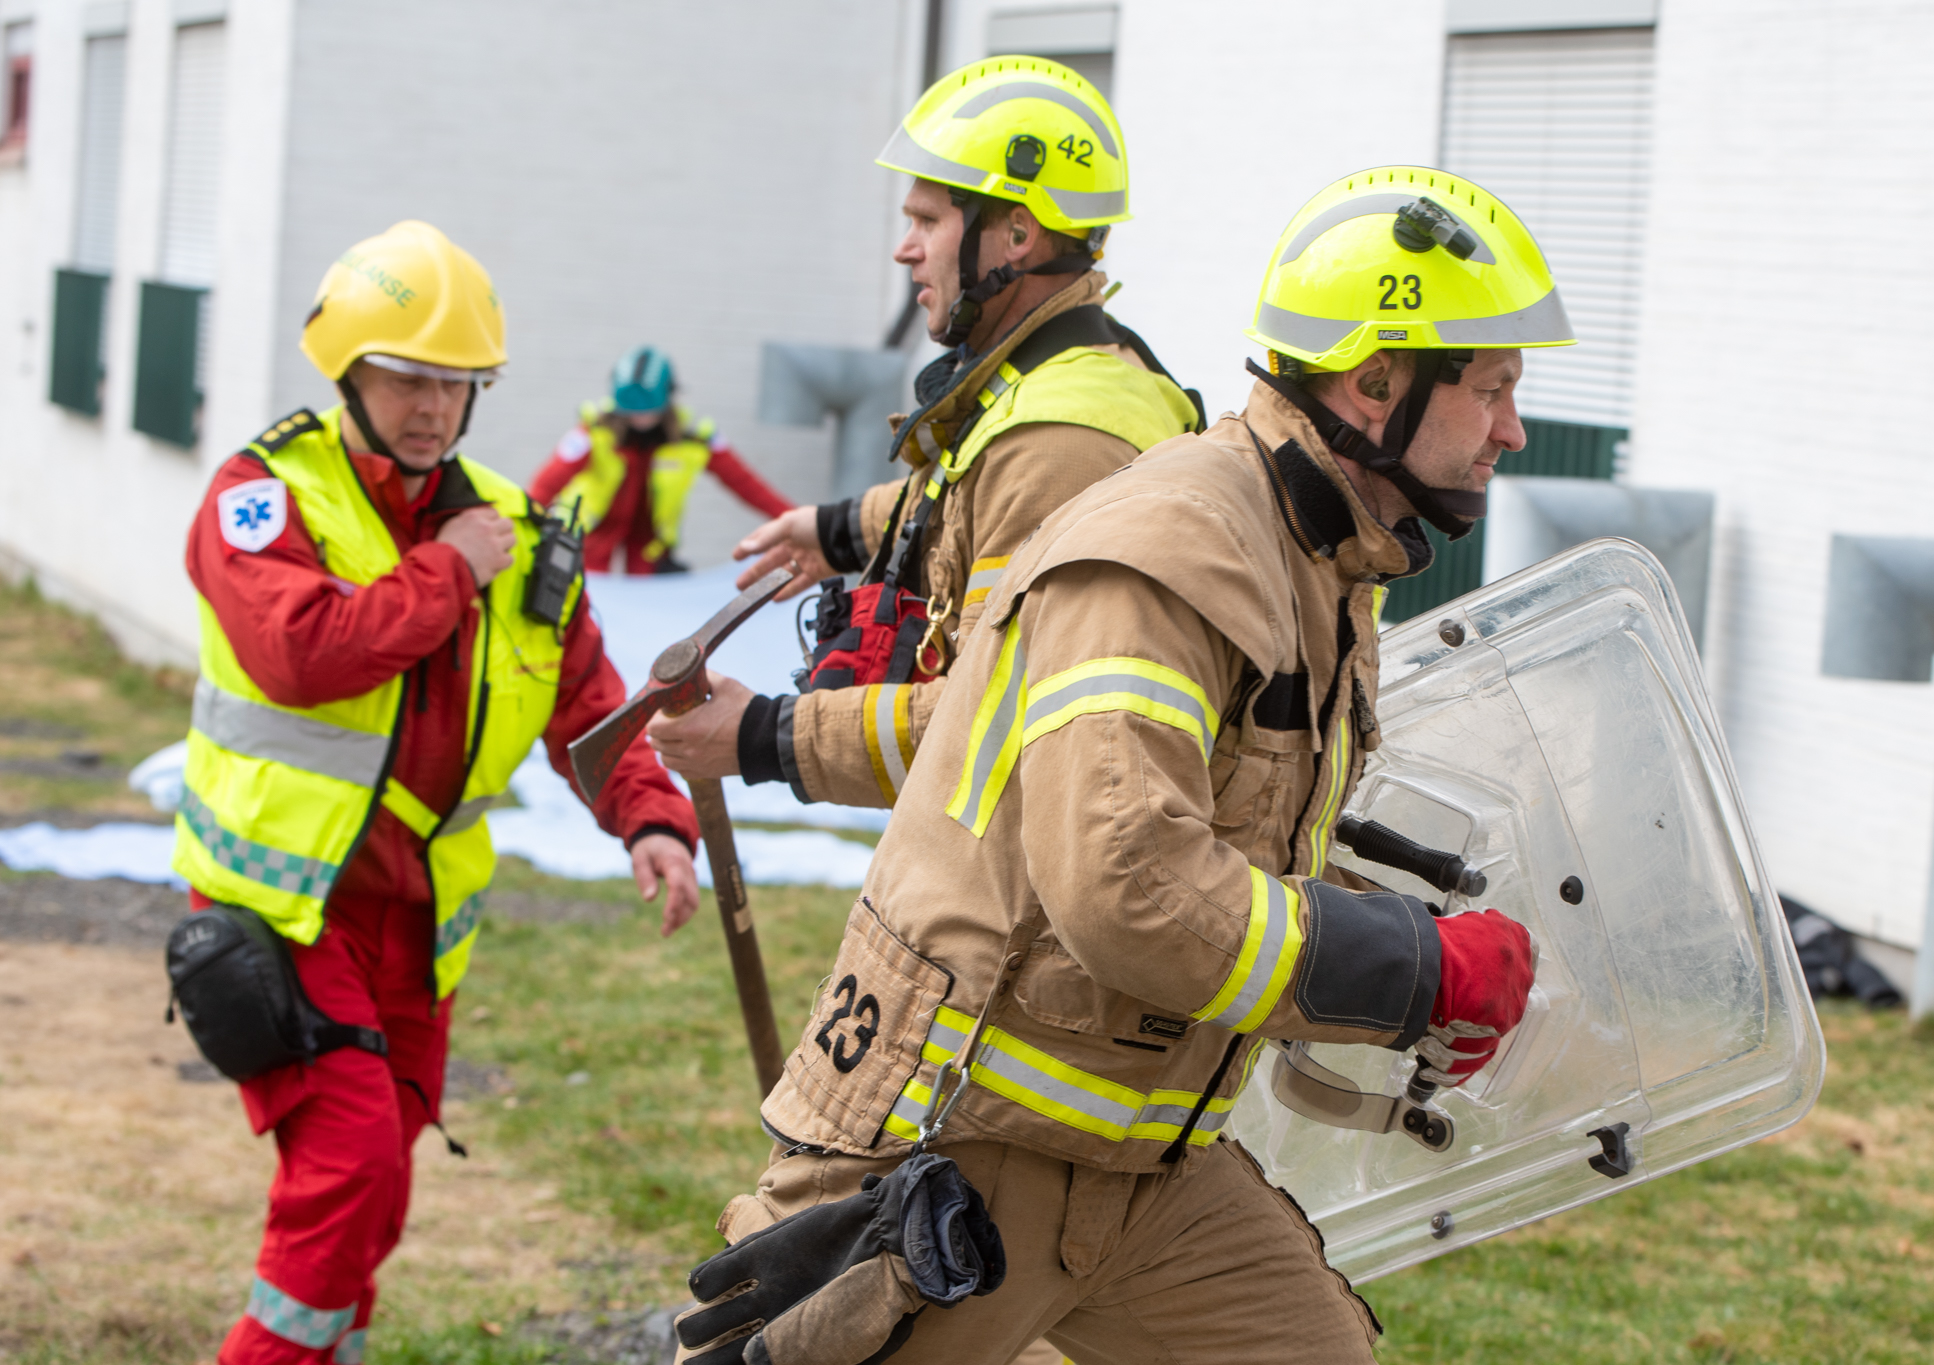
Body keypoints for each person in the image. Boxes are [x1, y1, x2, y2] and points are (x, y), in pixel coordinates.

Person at [677, 168, 1563, 1362]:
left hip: (1142, 1167)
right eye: (1492, 389)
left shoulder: (1317, 566)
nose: (1510, 428)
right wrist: (1413, 969)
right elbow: (1129, 889)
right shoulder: (1174, 550)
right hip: (948, 1159)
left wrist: (1411, 962)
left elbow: (1226, 857)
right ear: (1372, 382)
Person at [176, 220, 701, 1365]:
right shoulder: (260, 495)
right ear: (348, 372)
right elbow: (303, 655)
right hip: (285, 906)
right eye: (408, 377)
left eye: (458, 385)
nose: (433, 407)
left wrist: (650, 821)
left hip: (416, 925)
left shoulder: (516, 527)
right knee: (352, 1159)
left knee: (377, 1183)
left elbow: (589, 705)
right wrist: (449, 568)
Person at [646, 55, 1201, 810]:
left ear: (1014, 234)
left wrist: (763, 736)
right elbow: (971, 492)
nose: (906, 248)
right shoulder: (1054, 375)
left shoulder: (1062, 442)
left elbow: (994, 726)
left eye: (928, 220)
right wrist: (838, 530)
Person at [528, 344, 793, 574]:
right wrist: (523, 520)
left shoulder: (694, 438)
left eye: (647, 411)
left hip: (650, 545)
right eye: (631, 412)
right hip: (592, 539)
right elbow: (548, 482)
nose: (639, 419)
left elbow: (746, 484)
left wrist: (797, 521)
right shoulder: (594, 430)